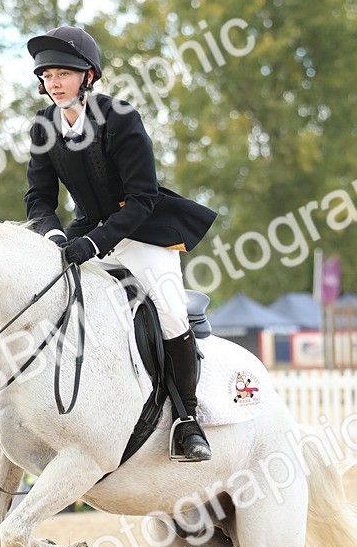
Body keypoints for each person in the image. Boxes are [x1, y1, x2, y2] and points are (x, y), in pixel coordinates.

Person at [24, 24, 217, 462]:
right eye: (47, 76)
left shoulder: (121, 118)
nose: (54, 83)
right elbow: (38, 197)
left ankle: (187, 419)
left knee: (169, 310)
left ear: (88, 75)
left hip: (142, 230)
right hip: (84, 229)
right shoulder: (42, 127)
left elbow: (143, 197)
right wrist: (54, 237)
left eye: (63, 74)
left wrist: (94, 245)